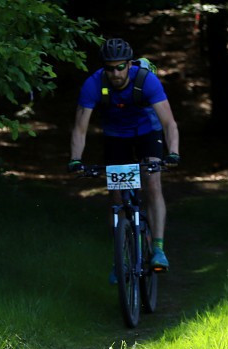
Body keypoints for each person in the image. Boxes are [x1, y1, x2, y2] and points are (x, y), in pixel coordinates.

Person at [68, 38, 180, 276]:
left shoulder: (146, 81)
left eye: (120, 67)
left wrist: (173, 153)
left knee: (152, 182)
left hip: (148, 133)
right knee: (116, 198)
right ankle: (120, 256)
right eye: (110, 68)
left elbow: (169, 122)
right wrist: (75, 159)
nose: (115, 73)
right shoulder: (93, 84)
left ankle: (158, 248)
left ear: (129, 64)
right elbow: (80, 127)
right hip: (115, 136)